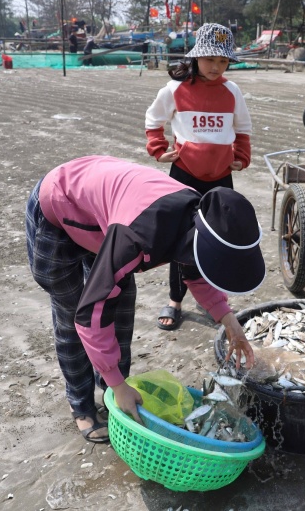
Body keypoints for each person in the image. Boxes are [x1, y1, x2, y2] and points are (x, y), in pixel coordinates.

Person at [25, 155, 265, 443]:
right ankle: (83, 406)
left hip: (106, 220)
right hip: (61, 209)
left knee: (121, 310)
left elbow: (197, 271)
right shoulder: (137, 236)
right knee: (74, 315)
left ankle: (115, 395)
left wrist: (230, 322)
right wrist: (117, 381)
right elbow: (89, 316)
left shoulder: (202, 219)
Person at [144, 22, 253, 332]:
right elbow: (154, 120)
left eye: (223, 61)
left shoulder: (232, 91)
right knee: (180, 240)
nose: (216, 67)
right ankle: (175, 300)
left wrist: (241, 157)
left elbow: (242, 129)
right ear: (195, 57)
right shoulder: (175, 90)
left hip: (220, 177)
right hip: (184, 176)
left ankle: (213, 299)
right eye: (210, 59)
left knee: (218, 238)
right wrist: (158, 149)